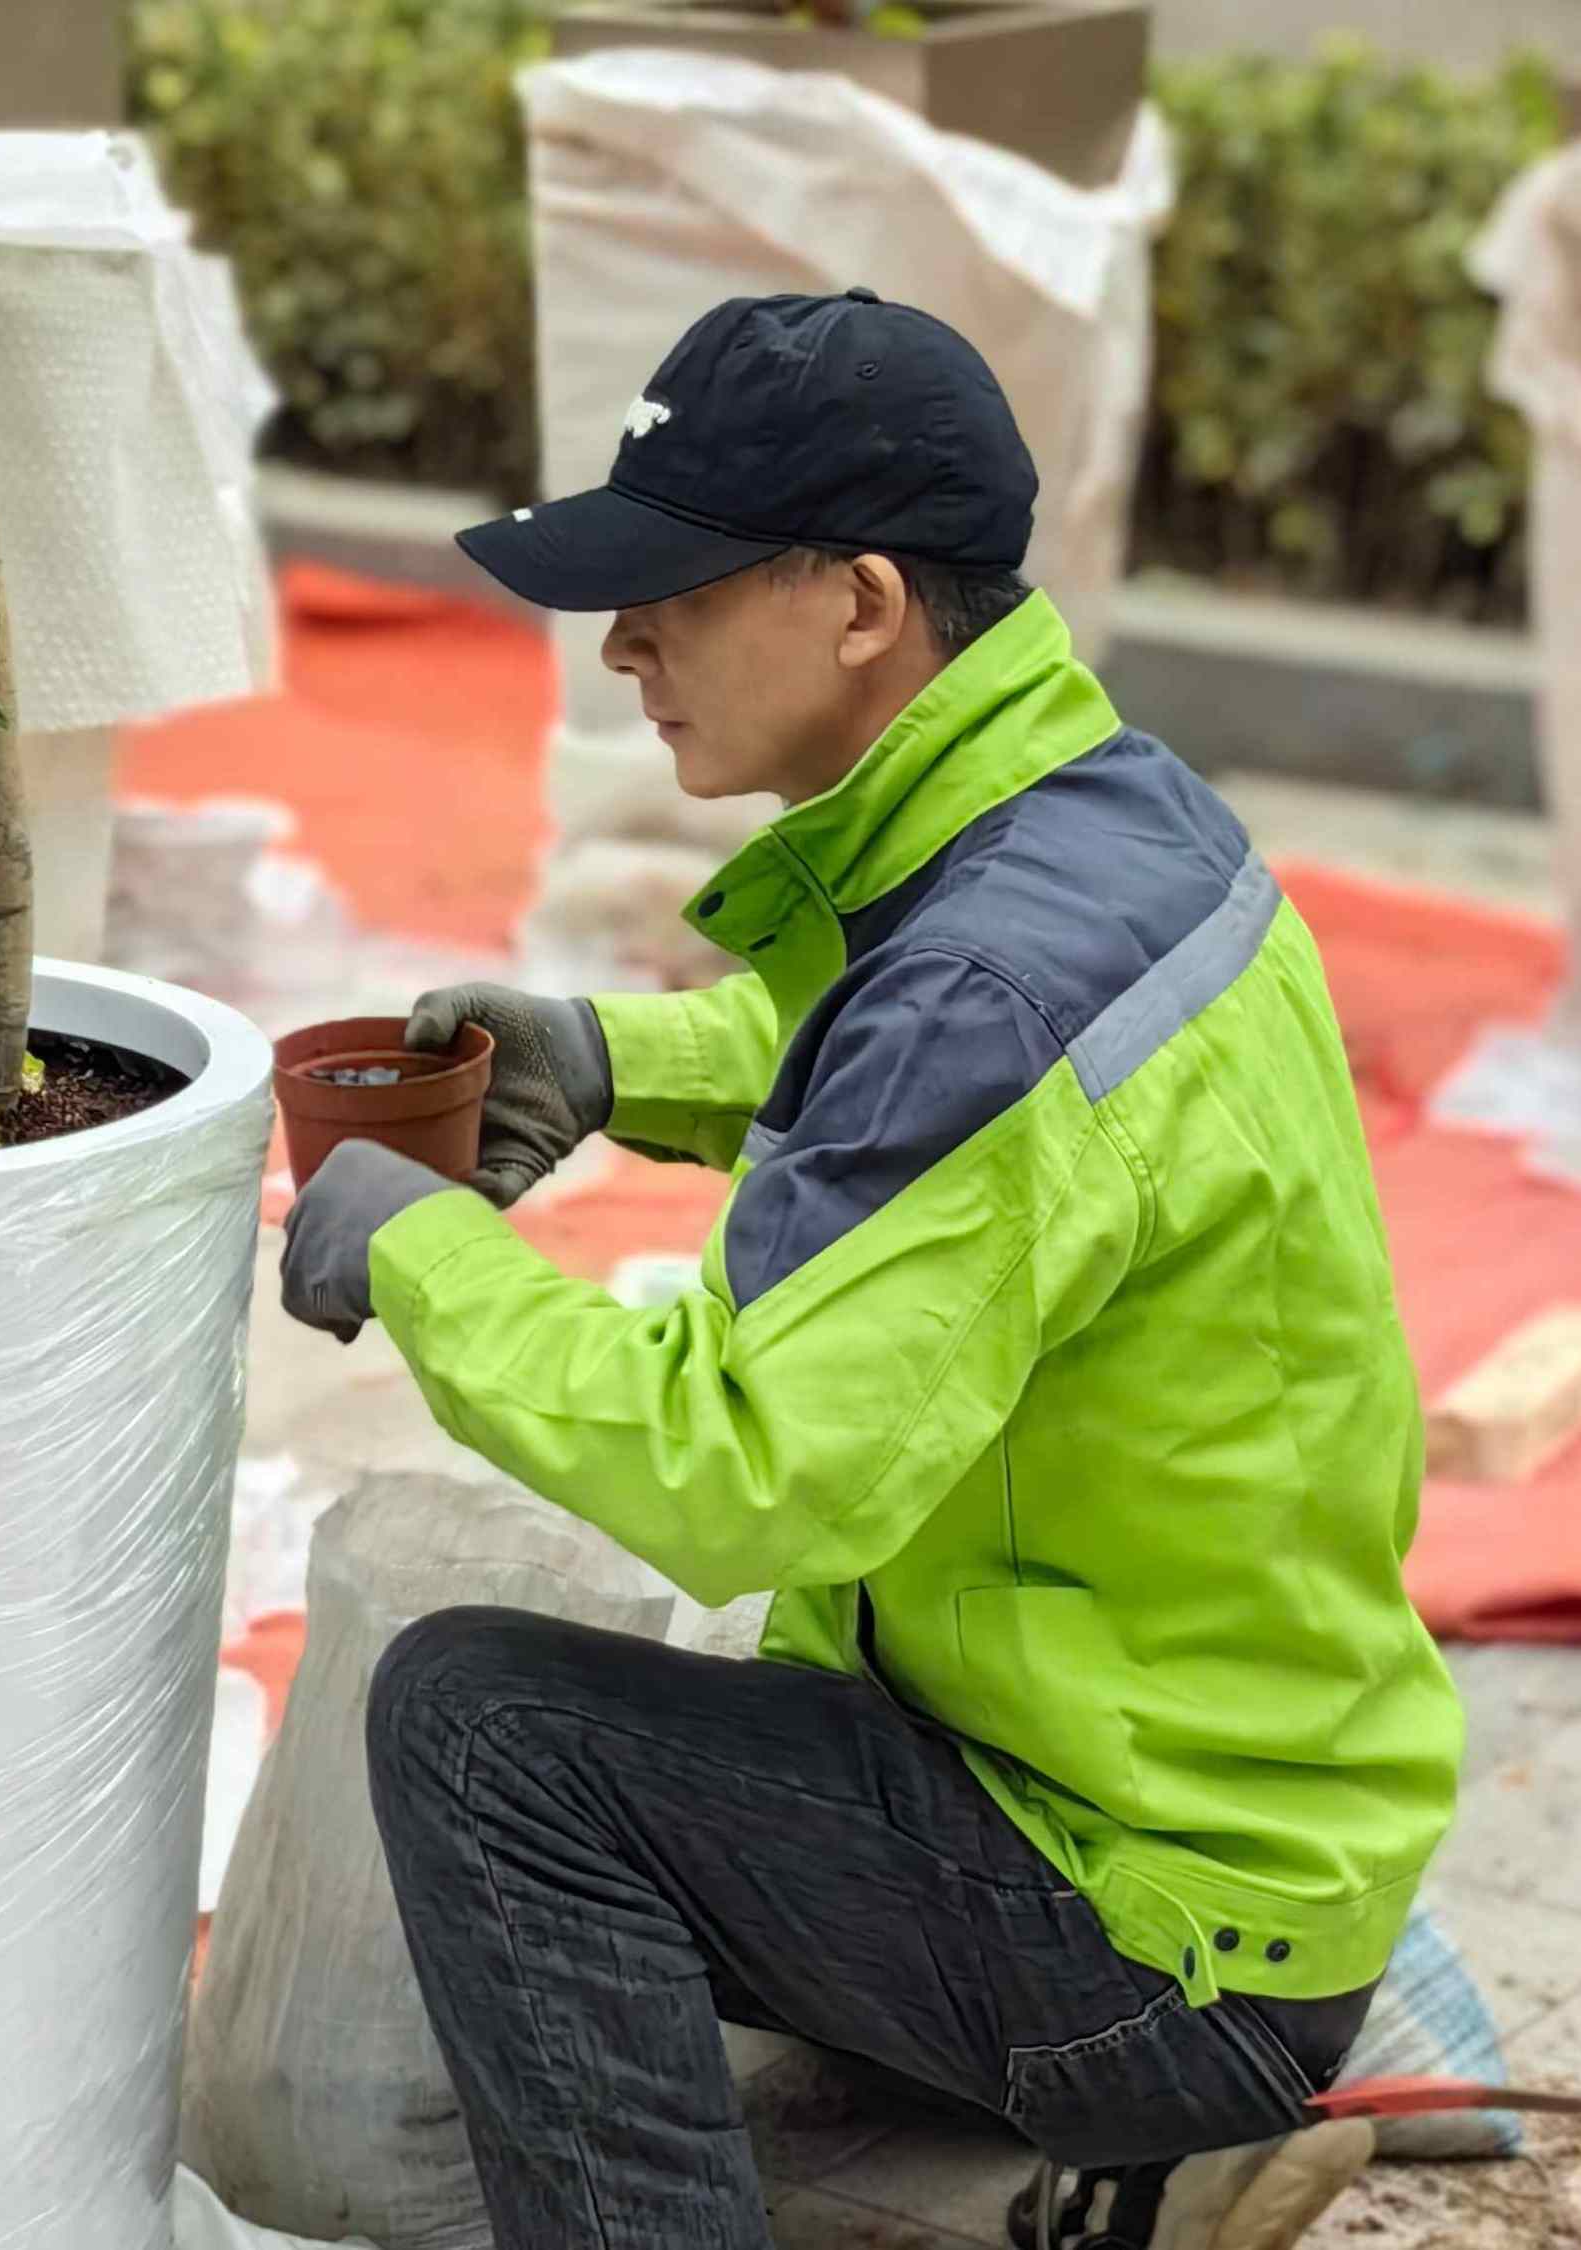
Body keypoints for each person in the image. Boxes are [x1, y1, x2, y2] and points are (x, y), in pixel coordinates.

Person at [275, 291, 1464, 2250]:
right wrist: (612, 1059)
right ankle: (1096, 2181)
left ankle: (1085, 2132)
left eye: (672, 587)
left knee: (491, 1730)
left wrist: (425, 1255)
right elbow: (909, 1072)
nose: (625, 641)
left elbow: (749, 1480)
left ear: (862, 604)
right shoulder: (1105, 824)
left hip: (1155, 1935)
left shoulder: (992, 981)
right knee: (657, 1708)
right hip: (1234, 1816)